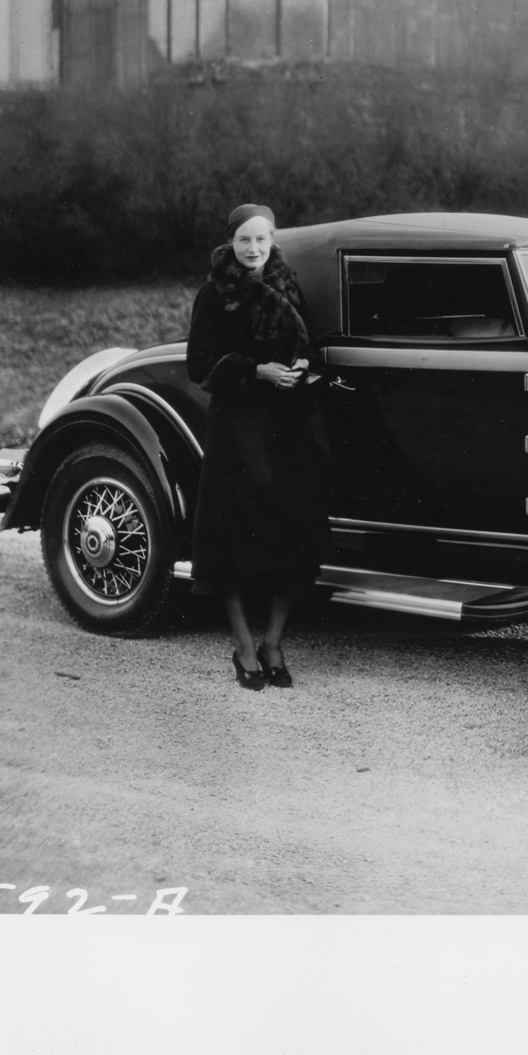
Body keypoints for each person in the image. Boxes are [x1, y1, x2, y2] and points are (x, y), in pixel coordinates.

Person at [186, 203, 329, 690]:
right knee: (236, 535)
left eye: (261, 241)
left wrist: (300, 371)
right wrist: (255, 371)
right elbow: (199, 364)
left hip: (286, 423)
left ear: (272, 243)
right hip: (238, 424)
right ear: (231, 243)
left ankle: (274, 642)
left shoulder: (288, 285)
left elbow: (304, 346)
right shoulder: (215, 292)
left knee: (291, 528)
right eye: (244, 241)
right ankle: (244, 646)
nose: (253, 250)